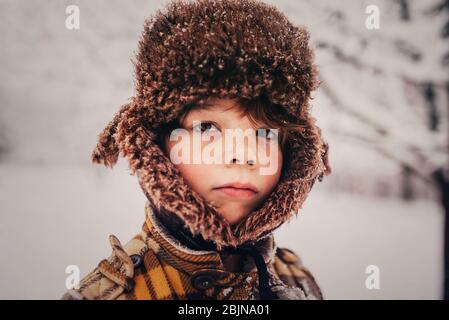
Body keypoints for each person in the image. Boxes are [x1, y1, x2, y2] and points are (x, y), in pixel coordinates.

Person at [62, 0, 331, 300]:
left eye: (265, 133)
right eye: (207, 129)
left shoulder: (298, 280)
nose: (242, 155)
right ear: (158, 145)